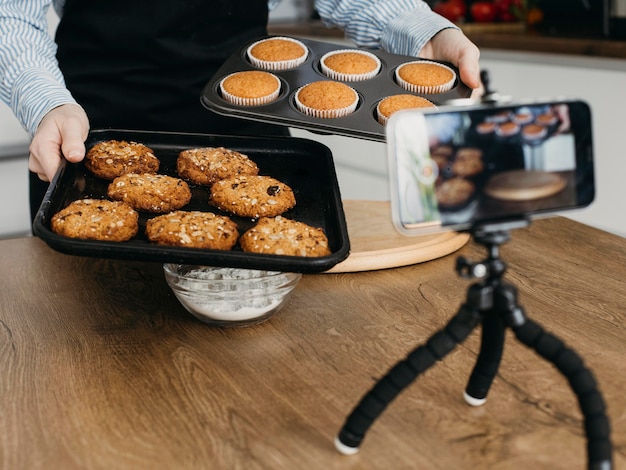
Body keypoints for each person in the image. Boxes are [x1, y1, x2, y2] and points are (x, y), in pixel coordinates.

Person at [0, 0, 481, 220]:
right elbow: (11, 13)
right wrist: (47, 103)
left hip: (252, 127)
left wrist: (424, 30)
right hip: (88, 130)